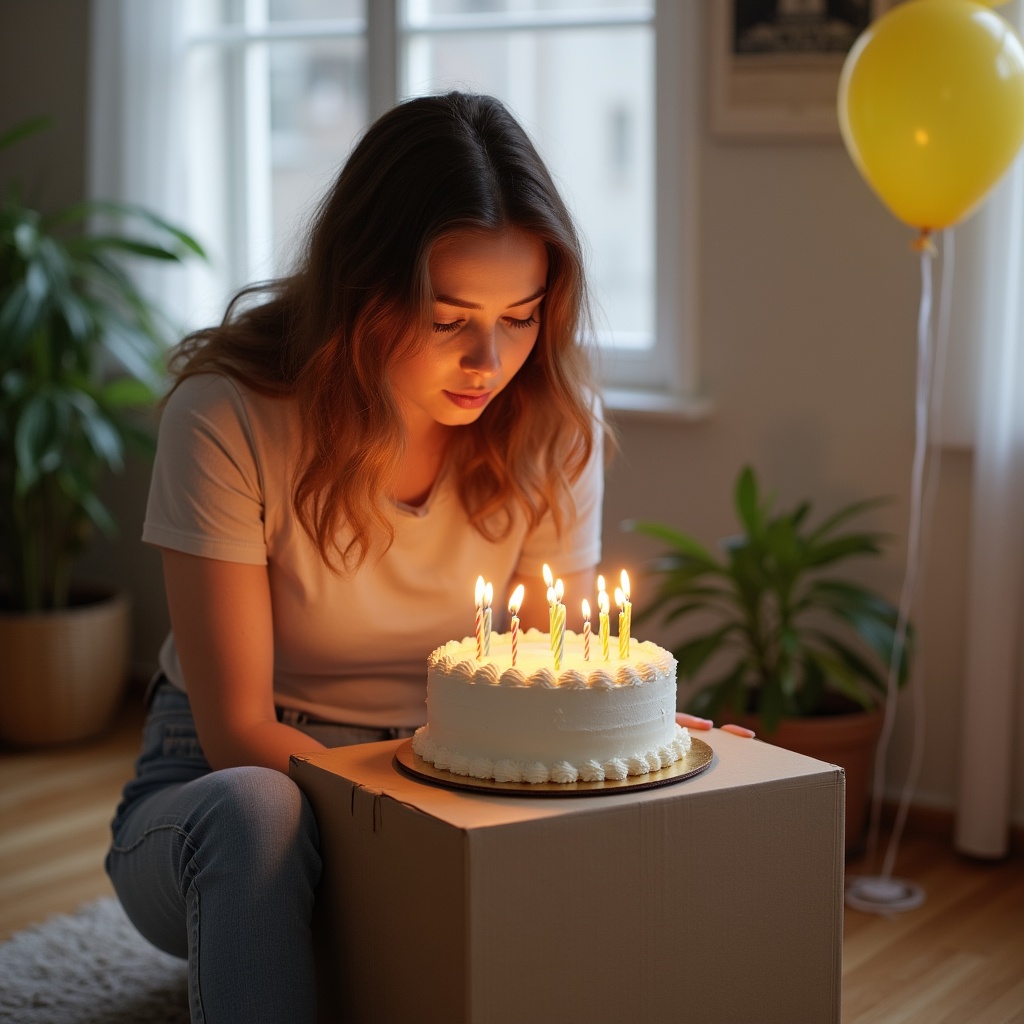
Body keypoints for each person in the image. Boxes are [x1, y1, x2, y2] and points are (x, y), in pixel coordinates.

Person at [105, 91, 607, 1023]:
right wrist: (423, 820)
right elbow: (238, 732)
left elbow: (552, 699)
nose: (488, 362)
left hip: (454, 775)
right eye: (449, 318)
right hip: (227, 792)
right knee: (262, 813)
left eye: (522, 316)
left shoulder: (552, 433)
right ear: (361, 290)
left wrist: (651, 749)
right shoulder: (228, 417)